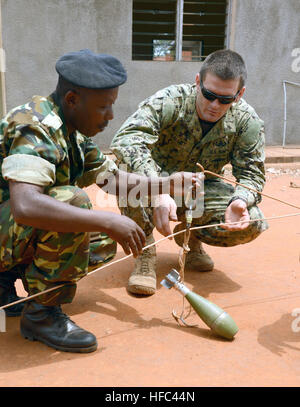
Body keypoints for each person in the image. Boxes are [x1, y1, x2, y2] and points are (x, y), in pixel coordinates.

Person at [0, 49, 198, 353]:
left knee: (99, 242)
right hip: (11, 221)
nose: (110, 116)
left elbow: (113, 180)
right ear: (72, 99)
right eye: (104, 107)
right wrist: (108, 219)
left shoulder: (72, 131)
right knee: (75, 202)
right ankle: (41, 315)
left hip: (7, 230)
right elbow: (26, 206)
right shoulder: (35, 125)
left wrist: (167, 183)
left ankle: (5, 283)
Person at [111, 49, 268, 297]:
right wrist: (159, 188)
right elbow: (126, 141)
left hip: (197, 191)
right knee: (123, 175)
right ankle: (146, 251)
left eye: (225, 99)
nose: (215, 105)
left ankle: (190, 237)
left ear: (240, 94)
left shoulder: (247, 121)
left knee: (254, 222)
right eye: (208, 94)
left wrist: (240, 200)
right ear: (198, 82)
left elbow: (252, 174)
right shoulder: (170, 100)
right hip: (156, 184)